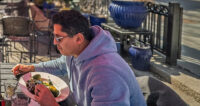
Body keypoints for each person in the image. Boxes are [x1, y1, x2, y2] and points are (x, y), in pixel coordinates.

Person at [12, 10, 146, 106]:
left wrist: (51, 103)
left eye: (58, 38)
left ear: (78, 39)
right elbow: (60, 65)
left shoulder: (105, 73)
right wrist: (32, 68)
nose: (54, 42)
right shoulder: (77, 52)